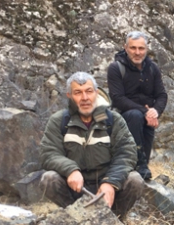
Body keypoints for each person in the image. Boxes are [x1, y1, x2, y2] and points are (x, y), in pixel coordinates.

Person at [40, 71, 144, 217]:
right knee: (49, 179)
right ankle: (75, 216)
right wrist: (70, 170)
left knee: (135, 180)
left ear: (96, 92)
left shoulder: (113, 120)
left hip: (107, 187)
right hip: (76, 188)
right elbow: (49, 153)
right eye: (78, 93)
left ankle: (115, 219)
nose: (85, 98)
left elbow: (126, 153)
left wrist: (111, 183)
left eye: (89, 91)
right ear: (69, 96)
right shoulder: (59, 121)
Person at [107, 31, 168, 181]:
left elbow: (161, 95)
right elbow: (117, 98)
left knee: (144, 169)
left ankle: (143, 169)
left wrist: (155, 111)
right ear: (125, 48)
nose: (137, 52)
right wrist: (145, 111)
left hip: (147, 119)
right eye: (133, 48)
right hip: (124, 116)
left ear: (146, 49)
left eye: (141, 48)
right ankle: (138, 165)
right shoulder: (116, 68)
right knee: (135, 115)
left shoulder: (152, 68)